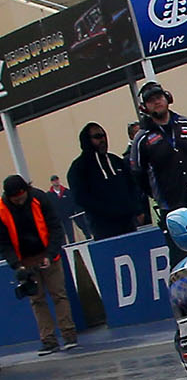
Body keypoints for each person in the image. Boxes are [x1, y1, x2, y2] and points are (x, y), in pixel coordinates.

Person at [2, 175, 75, 353]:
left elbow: (55, 227)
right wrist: (17, 266)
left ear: (26, 190)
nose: (19, 201)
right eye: (15, 199)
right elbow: (4, 243)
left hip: (48, 255)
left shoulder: (39, 198)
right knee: (37, 299)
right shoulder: (2, 210)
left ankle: (69, 334)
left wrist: (50, 254)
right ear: (9, 197)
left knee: (59, 295)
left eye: (21, 197)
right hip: (25, 261)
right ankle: (48, 340)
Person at [129, 82, 187, 214]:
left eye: (159, 97)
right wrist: (157, 195)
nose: (156, 102)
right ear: (144, 107)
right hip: (171, 207)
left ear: (167, 98)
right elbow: (138, 174)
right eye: (151, 100)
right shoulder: (142, 138)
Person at [67, 122, 148, 240]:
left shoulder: (116, 161)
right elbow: (81, 198)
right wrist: (109, 211)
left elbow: (132, 186)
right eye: (97, 137)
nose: (102, 140)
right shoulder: (79, 168)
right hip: (102, 228)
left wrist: (137, 210)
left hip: (128, 223)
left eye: (103, 136)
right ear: (87, 140)